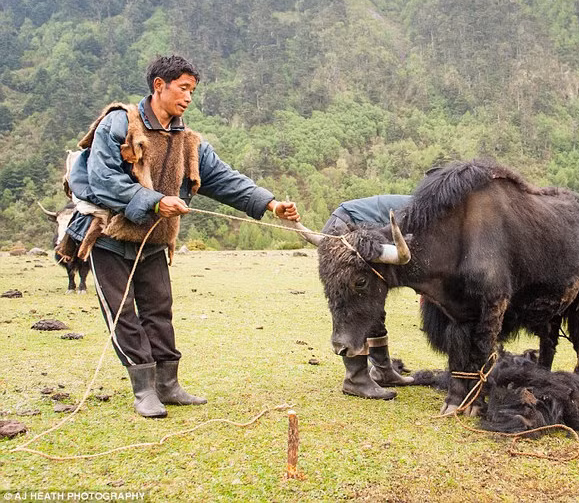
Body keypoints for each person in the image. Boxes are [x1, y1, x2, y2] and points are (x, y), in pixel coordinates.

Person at [62, 56, 300, 418]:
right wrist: (155, 202)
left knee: (159, 309)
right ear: (159, 85)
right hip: (109, 237)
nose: (188, 97)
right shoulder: (119, 123)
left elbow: (224, 179)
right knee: (123, 313)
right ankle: (144, 390)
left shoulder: (188, 142)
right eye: (183, 88)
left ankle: (168, 385)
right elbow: (102, 179)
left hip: (154, 240)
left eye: (193, 90)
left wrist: (270, 204)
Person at [321, 195, 415, 400]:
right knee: (356, 301)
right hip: (344, 228)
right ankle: (355, 378)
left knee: (374, 303)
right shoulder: (428, 209)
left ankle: (382, 370)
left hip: (366, 231)